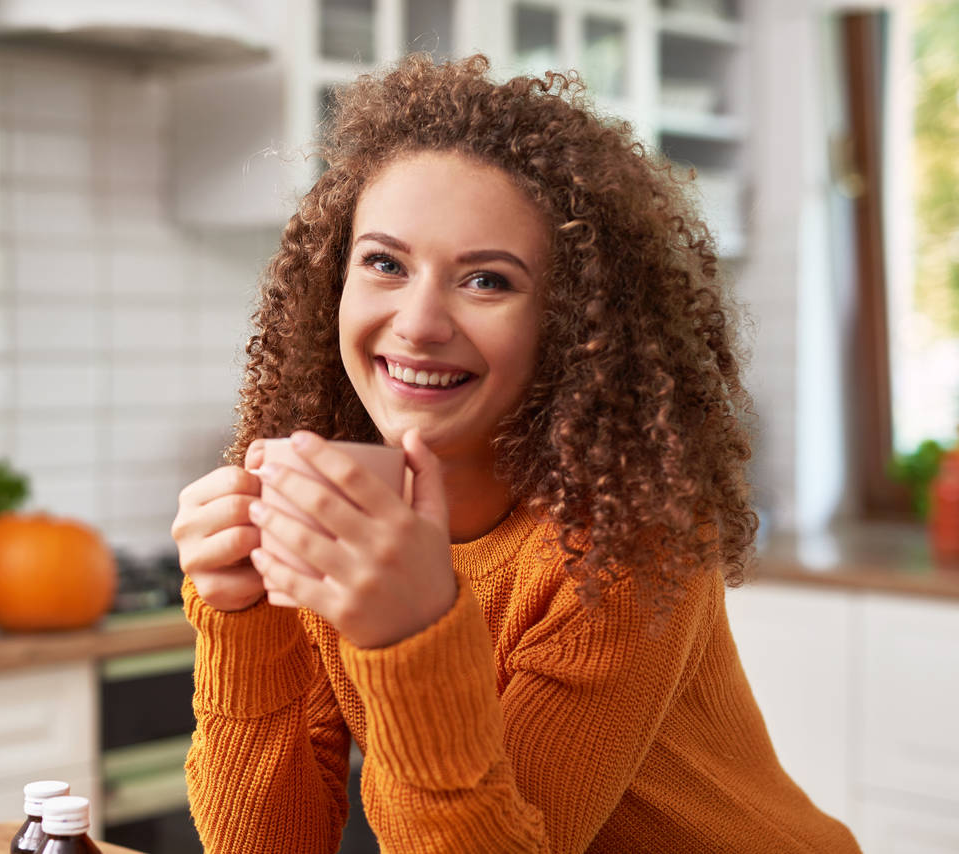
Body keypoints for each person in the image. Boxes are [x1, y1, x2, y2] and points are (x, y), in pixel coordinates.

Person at [170, 54, 861, 853]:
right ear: (335, 281)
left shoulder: (625, 546)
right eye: (385, 264)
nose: (420, 322)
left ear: (570, 325)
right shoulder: (339, 515)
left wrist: (410, 637)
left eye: (487, 281)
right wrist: (241, 619)